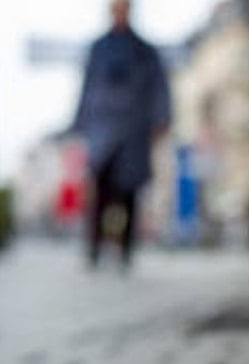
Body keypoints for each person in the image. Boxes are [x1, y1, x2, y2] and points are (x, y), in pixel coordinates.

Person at [72, 0, 171, 269]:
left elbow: (159, 87)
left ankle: (126, 251)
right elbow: (86, 87)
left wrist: (161, 120)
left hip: (133, 129)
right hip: (103, 128)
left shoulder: (146, 51)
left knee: (129, 192)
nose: (120, 12)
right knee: (100, 190)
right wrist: (80, 125)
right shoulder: (98, 49)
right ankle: (94, 248)